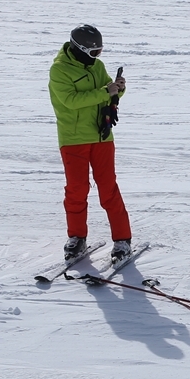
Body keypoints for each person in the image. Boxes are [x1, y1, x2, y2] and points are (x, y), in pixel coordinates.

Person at [48, 24, 132, 264]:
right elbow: (71, 101)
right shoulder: (59, 71)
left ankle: (122, 240)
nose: (97, 57)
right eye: (94, 53)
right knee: (77, 190)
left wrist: (118, 90)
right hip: (73, 139)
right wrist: (106, 91)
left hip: (101, 136)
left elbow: (107, 93)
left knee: (109, 188)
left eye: (100, 52)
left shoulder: (98, 67)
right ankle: (77, 238)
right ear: (80, 49)